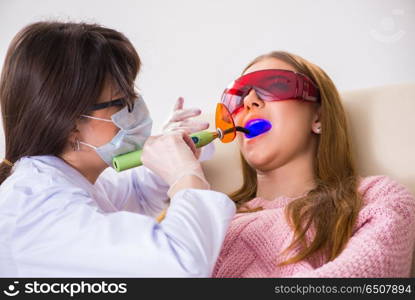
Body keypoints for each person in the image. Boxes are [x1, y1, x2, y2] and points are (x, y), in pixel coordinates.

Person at [0, 21, 235, 277]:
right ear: (70, 123)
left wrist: (172, 153)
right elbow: (179, 267)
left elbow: (134, 192)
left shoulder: (67, 179)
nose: (136, 107)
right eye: (121, 101)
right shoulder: (38, 209)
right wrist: (186, 176)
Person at [212, 51, 415, 277]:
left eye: (275, 85)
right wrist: (185, 184)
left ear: (318, 118)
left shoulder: (378, 198)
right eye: (237, 98)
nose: (249, 102)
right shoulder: (209, 214)